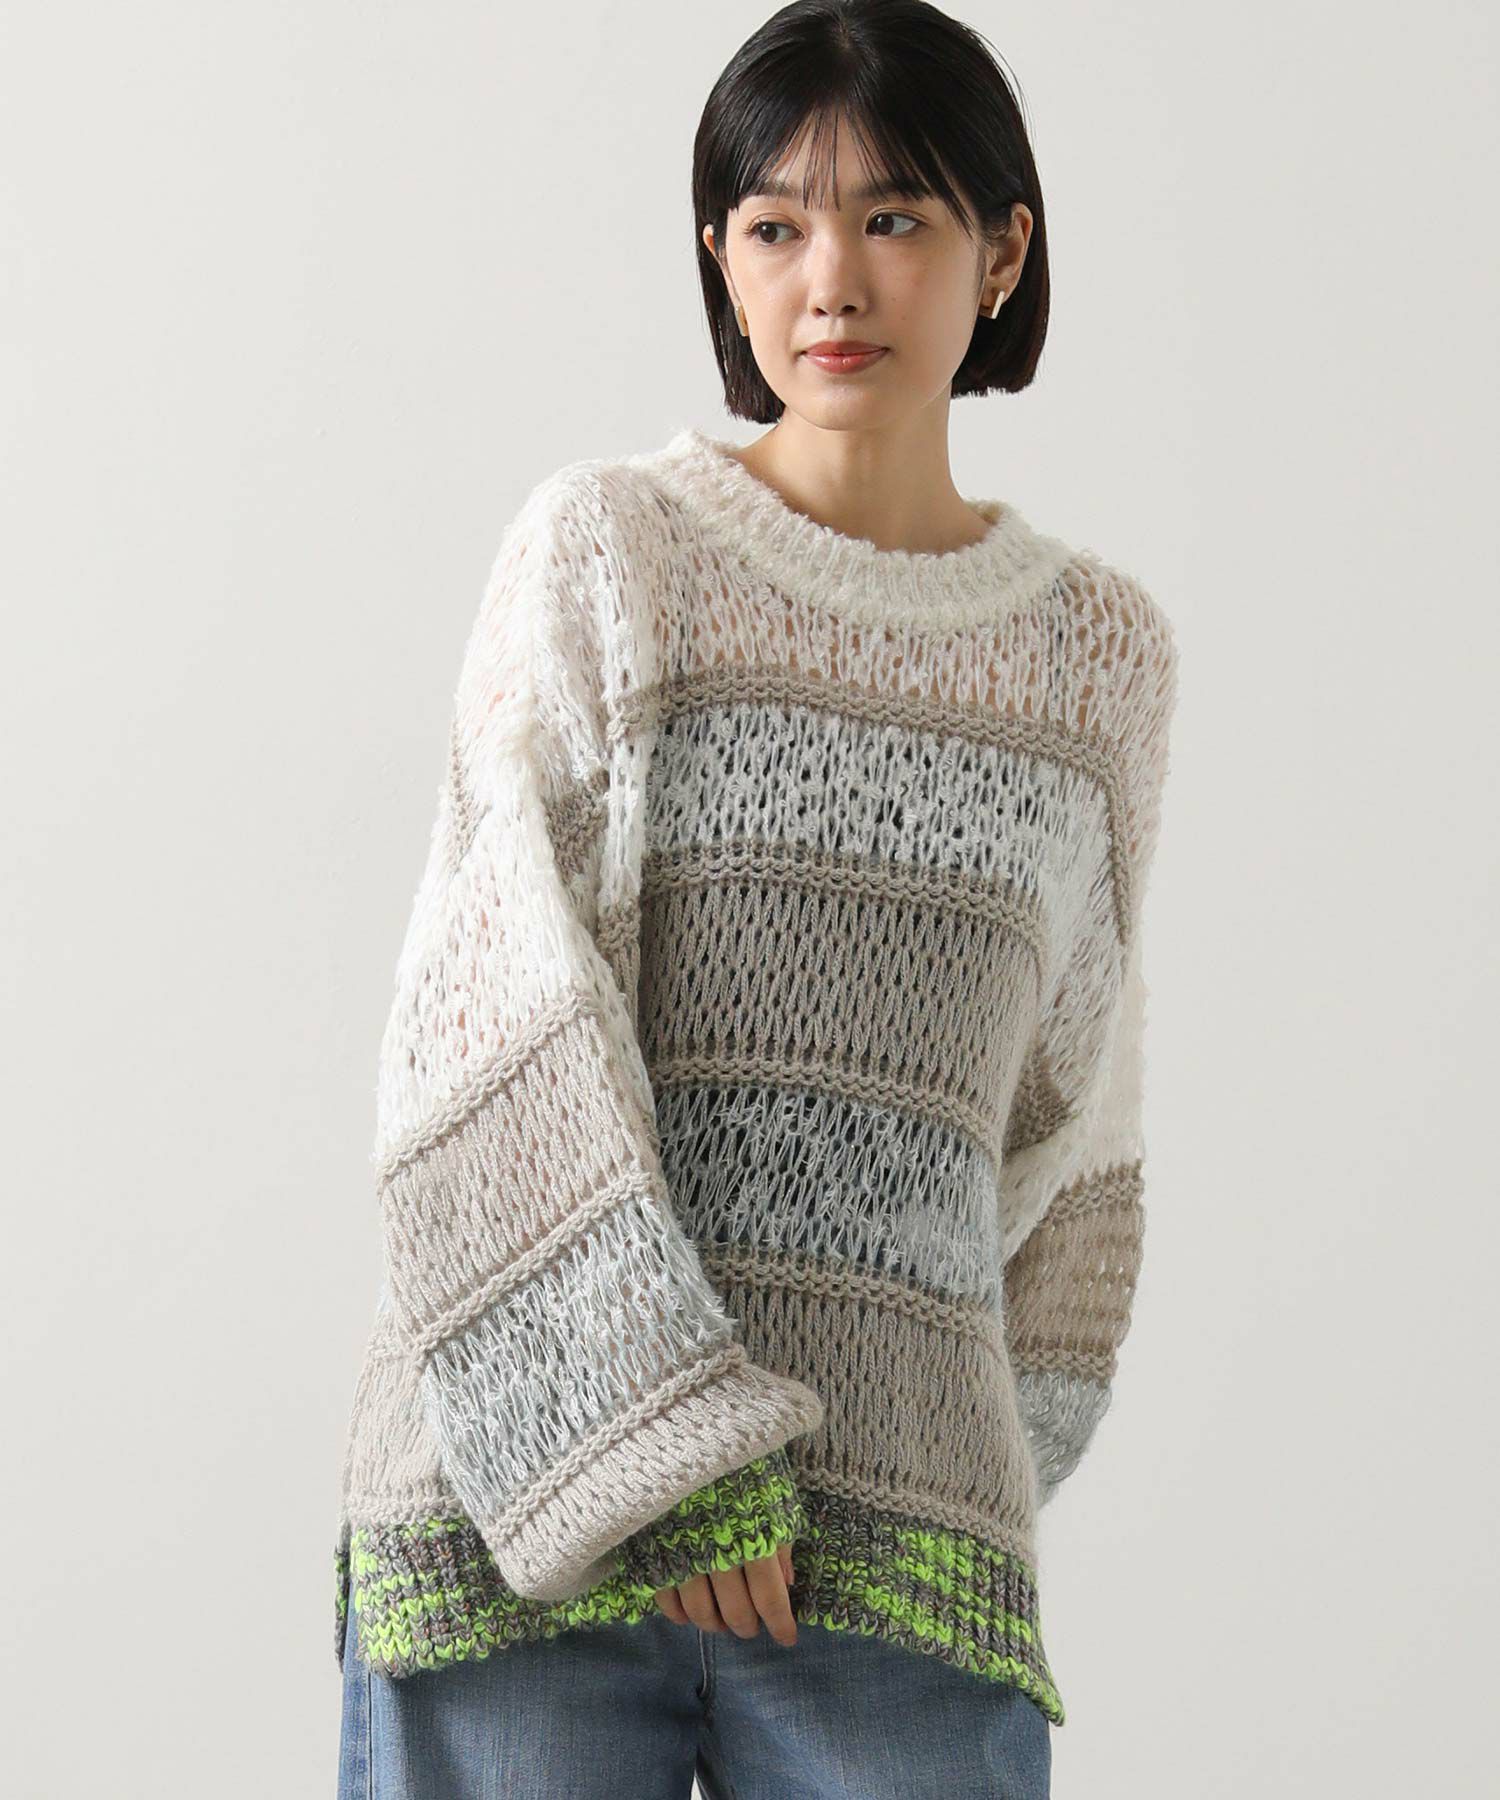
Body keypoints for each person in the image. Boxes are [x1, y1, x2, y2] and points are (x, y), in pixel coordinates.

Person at [333, 2, 1180, 1795]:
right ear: (721, 260)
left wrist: (949, 1444)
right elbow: (487, 1027)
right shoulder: (610, 555)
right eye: (775, 225)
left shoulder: (1095, 660)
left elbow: (1072, 1122)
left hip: (889, 1542)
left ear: (1001, 252)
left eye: (895, 217)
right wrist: (664, 1446)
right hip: (529, 1517)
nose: (832, 283)